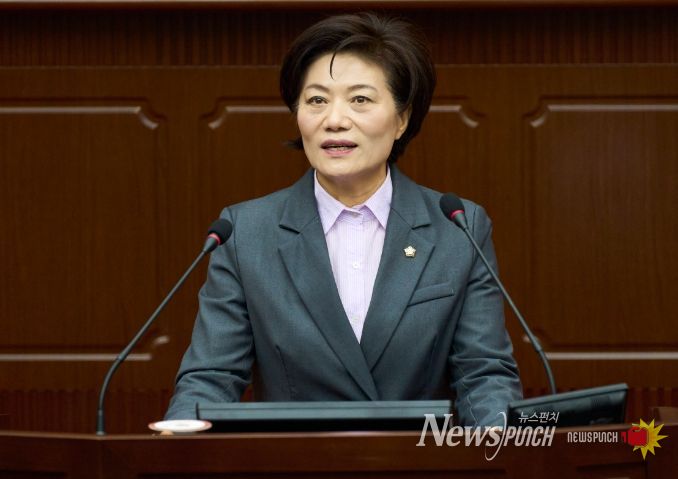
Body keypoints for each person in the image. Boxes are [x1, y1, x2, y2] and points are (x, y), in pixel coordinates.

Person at [165, 12, 522, 427]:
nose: (334, 120)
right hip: (297, 459)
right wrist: (179, 440)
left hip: (417, 458)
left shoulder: (457, 228)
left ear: (402, 119)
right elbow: (210, 378)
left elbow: (484, 375)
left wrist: (500, 446)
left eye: (360, 100)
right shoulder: (246, 234)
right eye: (317, 100)